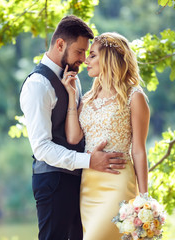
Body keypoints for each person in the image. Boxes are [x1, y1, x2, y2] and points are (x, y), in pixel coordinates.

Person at [20, 16, 126, 240]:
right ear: (60, 45)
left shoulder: (73, 79)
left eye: (86, 53)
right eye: (79, 52)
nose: (83, 59)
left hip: (82, 180)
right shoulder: (37, 85)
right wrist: (89, 161)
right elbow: (41, 148)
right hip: (53, 182)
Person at [61, 32, 150, 240]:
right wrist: (71, 96)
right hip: (89, 185)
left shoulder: (134, 97)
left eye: (92, 55)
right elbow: (73, 138)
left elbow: (138, 150)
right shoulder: (87, 98)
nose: (85, 60)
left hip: (118, 182)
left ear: (108, 58)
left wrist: (144, 199)